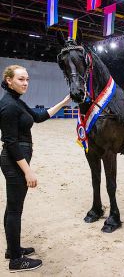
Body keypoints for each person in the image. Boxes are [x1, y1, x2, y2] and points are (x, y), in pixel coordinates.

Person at [0, 65, 71, 272]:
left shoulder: (16, 102)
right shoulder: (8, 106)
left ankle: (13, 250)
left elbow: (39, 116)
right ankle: (15, 261)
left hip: (17, 160)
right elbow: (11, 142)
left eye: (27, 79)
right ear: (9, 80)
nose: (26, 83)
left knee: (12, 208)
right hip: (15, 162)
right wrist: (27, 171)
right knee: (14, 210)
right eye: (21, 79)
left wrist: (64, 103)